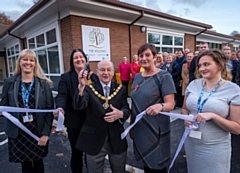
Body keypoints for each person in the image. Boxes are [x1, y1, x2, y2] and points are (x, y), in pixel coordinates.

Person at [182, 49, 240, 173]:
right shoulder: (193, 84)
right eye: (200, 66)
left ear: (220, 65)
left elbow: (237, 128)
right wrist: (186, 118)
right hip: (192, 144)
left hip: (215, 149)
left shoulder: (233, 89)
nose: (202, 68)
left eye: (206, 64)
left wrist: (214, 116)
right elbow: (184, 109)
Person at [0, 49, 54, 173]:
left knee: (39, 163)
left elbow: (48, 111)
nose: (28, 63)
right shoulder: (9, 82)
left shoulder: (44, 84)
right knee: (26, 166)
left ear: (35, 63)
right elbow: (4, 106)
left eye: (31, 60)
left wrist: (46, 134)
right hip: (19, 132)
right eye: (25, 59)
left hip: (37, 131)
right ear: (19, 62)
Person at [73, 60, 130, 173]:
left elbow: (126, 109)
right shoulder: (88, 88)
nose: (106, 73)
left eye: (109, 69)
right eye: (102, 70)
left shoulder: (121, 89)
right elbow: (79, 106)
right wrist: (81, 87)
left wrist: (121, 114)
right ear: (97, 72)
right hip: (94, 140)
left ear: (113, 72)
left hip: (116, 138)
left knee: (119, 170)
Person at [131, 43, 176, 173]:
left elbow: (171, 104)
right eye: (141, 56)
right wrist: (132, 125)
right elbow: (134, 102)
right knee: (146, 165)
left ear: (155, 57)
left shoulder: (164, 76)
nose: (143, 58)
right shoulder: (137, 77)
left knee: (157, 165)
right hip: (140, 127)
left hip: (156, 128)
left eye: (147, 55)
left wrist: (160, 106)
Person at [54, 48, 98, 173]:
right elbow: (62, 95)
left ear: (85, 59)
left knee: (91, 155)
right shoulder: (66, 78)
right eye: (75, 58)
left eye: (81, 57)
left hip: (92, 122)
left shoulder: (93, 77)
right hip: (74, 123)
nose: (79, 59)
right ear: (72, 62)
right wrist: (60, 107)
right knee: (77, 153)